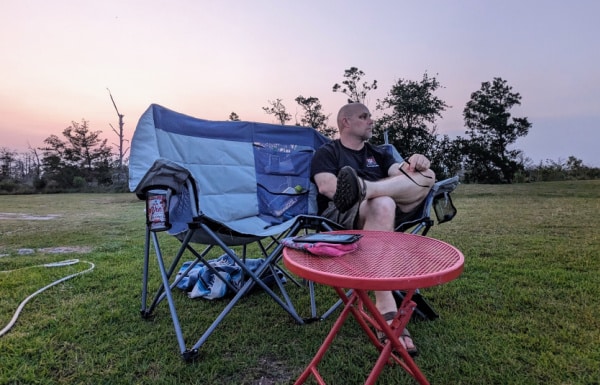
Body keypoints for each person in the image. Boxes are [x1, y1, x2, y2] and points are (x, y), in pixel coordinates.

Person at [310, 102, 436, 356]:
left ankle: (368, 188)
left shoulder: (380, 153)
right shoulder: (328, 152)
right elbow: (327, 188)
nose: (371, 121)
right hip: (342, 213)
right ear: (345, 122)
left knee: (428, 175)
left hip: (387, 205)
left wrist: (415, 162)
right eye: (364, 116)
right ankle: (384, 304)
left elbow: (408, 176)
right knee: (384, 204)